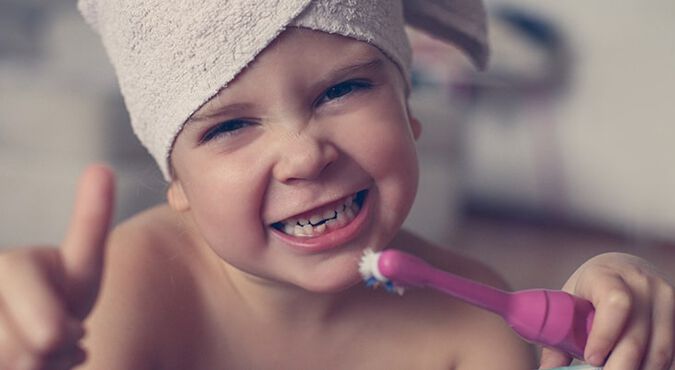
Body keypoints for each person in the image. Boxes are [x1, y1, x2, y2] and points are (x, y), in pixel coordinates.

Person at [0, 1, 672, 369]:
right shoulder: (126, 296)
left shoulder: (476, 333)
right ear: (176, 182)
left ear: (409, 111)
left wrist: (618, 324)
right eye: (230, 127)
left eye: (342, 89)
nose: (303, 156)